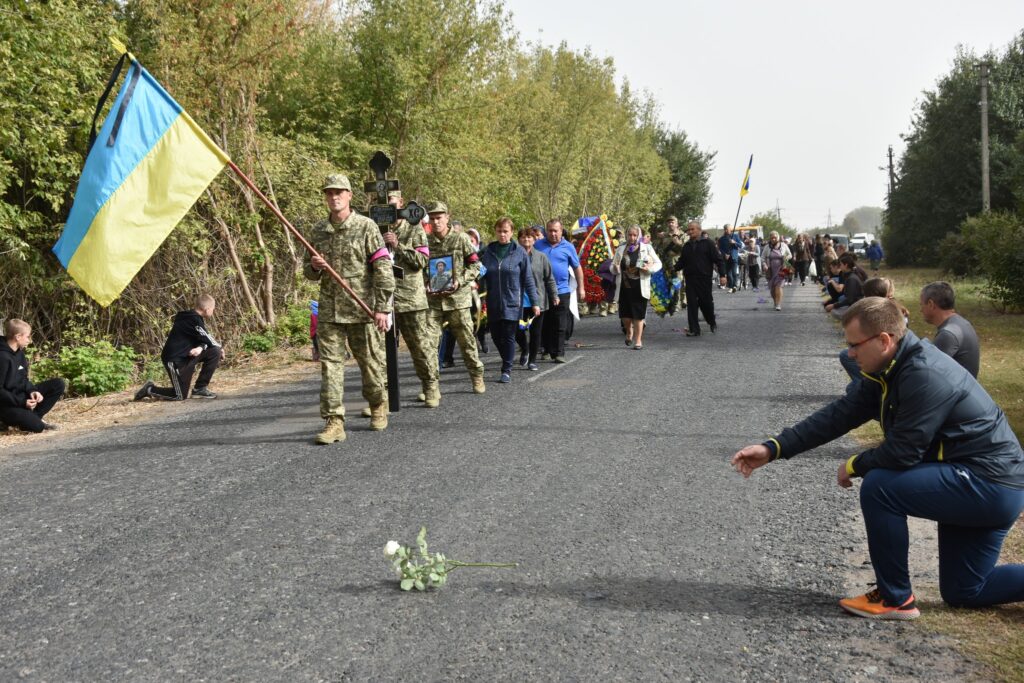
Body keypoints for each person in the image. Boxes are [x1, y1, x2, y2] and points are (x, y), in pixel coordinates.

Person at [732, 297, 1024, 620]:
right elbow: (838, 416)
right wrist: (774, 448)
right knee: (965, 590)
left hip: (990, 485)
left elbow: (903, 452)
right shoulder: (888, 368)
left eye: (855, 345)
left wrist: (854, 465)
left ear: (884, 340)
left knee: (880, 487)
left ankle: (894, 598)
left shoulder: (924, 374)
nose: (850, 353)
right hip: (979, 482)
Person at [304, 174, 394, 444]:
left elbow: (383, 269)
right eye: (329, 193)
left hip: (362, 309)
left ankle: (378, 404)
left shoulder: (366, 227)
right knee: (330, 366)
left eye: (339, 192)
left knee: (371, 365)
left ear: (349, 195)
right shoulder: (318, 231)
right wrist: (314, 267)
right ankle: (334, 421)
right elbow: (307, 272)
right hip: (330, 310)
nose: (334, 197)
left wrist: (382, 307)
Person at [383, 190, 441, 408]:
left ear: (401, 203)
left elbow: (422, 261)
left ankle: (430, 386)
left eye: (392, 203)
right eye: (385, 203)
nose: (389, 207)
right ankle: (382, 396)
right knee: (380, 351)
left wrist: (399, 245)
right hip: (383, 299)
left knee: (419, 346)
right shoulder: (374, 229)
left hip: (409, 298)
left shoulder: (414, 228)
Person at [424, 201, 486, 393]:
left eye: (439, 217)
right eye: (432, 218)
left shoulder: (461, 239)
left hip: (457, 300)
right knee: (429, 345)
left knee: (466, 342)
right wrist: (425, 282)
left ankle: (476, 376)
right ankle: (431, 386)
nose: (436, 222)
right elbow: (419, 267)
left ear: (447, 217)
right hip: (433, 302)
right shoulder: (425, 241)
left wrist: (460, 280)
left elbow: (475, 266)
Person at [479, 218, 540, 383]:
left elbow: (528, 279)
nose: (502, 234)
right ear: (495, 232)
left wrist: (535, 302)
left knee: (508, 336)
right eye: (499, 231)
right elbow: (478, 272)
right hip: (493, 301)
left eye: (505, 231)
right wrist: (474, 282)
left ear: (511, 232)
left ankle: (506, 369)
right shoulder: (488, 252)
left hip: (512, 301)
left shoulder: (519, 252)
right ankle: (509, 356)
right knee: (496, 336)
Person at [135, 294, 223, 402]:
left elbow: (203, 339)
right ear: (207, 309)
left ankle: (199, 389)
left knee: (215, 351)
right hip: (174, 360)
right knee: (180, 395)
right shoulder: (192, 319)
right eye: (213, 309)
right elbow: (207, 338)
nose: (213, 312)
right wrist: (220, 347)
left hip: (187, 356)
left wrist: (200, 347)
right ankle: (149, 389)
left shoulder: (195, 318)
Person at [0, 319, 65, 433]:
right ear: (18, 337)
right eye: (28, 337)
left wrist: (33, 391)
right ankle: (23, 421)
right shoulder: (2, 357)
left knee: (58, 384)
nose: (29, 341)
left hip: (21, 397)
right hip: (7, 405)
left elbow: (23, 379)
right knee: (38, 427)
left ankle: (34, 417)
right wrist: (21, 402)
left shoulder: (19, 352)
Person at [535, 219, 586, 363]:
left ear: (561, 230)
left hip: (562, 290)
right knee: (544, 321)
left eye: (555, 230)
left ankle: (559, 352)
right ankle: (545, 349)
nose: (553, 234)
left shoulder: (568, 247)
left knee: (560, 322)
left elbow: (577, 268)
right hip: (542, 291)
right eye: (550, 230)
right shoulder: (538, 245)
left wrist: (581, 288)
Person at [611, 225, 662, 350]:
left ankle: (638, 340)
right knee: (625, 316)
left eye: (635, 235)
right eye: (630, 235)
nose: (632, 237)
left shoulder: (646, 248)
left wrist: (649, 268)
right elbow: (613, 266)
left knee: (638, 316)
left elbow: (658, 263)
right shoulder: (621, 248)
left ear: (638, 235)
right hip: (624, 286)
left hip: (640, 286)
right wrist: (615, 268)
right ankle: (629, 331)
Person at [516, 226, 558, 371]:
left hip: (538, 301)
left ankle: (532, 360)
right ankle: (524, 348)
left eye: (529, 237)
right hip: (518, 301)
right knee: (518, 330)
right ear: (519, 239)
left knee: (535, 332)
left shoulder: (541, 257)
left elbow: (549, 278)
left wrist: (554, 295)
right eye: (523, 237)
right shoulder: (514, 256)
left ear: (534, 240)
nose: (526, 239)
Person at [675, 220, 726, 337]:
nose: (690, 231)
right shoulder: (686, 246)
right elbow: (681, 262)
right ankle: (694, 329)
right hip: (690, 279)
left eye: (692, 229)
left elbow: (719, 260)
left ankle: (711, 321)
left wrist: (723, 275)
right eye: (689, 229)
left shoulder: (708, 243)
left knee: (706, 303)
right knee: (692, 304)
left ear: (699, 230)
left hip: (704, 279)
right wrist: (671, 269)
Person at [920, 281, 980, 378]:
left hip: (957, 392)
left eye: (921, 305)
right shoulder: (961, 322)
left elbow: (929, 373)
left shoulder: (947, 334)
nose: (921, 310)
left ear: (931, 304)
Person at [653, 216, 685, 315]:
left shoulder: (682, 235)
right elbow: (656, 248)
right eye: (669, 222)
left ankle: (677, 305)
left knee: (677, 284)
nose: (670, 224)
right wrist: (658, 239)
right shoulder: (664, 236)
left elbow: (687, 249)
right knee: (667, 284)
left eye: (672, 222)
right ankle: (668, 304)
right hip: (665, 264)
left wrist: (678, 243)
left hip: (677, 264)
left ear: (677, 223)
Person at [824, 253, 864, 318]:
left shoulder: (851, 278)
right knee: (833, 310)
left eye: (841, 265)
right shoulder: (850, 276)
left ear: (846, 265)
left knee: (834, 312)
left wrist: (834, 305)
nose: (840, 267)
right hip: (852, 303)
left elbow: (849, 299)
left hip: (855, 305)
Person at [760, 231, 792, 311]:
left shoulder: (783, 245)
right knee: (772, 288)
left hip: (782, 268)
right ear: (770, 238)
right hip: (770, 270)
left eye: (775, 237)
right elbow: (762, 257)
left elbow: (790, 255)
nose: (773, 239)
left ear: (778, 238)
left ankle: (778, 304)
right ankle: (775, 301)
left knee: (779, 286)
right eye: (772, 238)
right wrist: (764, 265)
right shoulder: (767, 247)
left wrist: (786, 258)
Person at [718, 224, 743, 292]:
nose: (728, 230)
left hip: (734, 256)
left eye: (729, 229)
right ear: (725, 230)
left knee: (734, 272)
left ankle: (734, 285)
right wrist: (725, 254)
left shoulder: (735, 236)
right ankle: (731, 286)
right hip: (726, 258)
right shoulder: (721, 239)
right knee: (728, 274)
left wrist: (734, 242)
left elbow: (740, 245)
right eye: (726, 229)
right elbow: (720, 248)